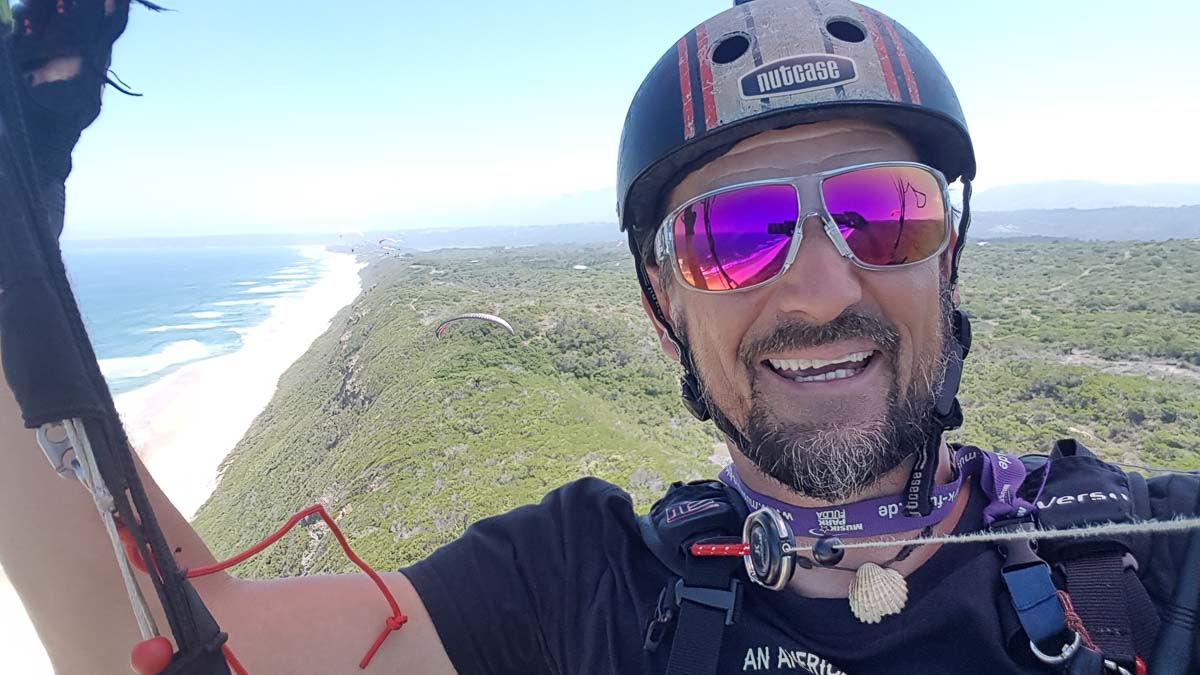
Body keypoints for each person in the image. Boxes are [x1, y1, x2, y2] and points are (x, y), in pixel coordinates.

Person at [1, 1, 1196, 674]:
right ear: (663, 305)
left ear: (950, 257)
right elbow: (149, 647)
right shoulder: (580, 588)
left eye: (885, 213)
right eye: (735, 233)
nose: (819, 285)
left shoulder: (1142, 560)